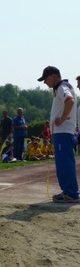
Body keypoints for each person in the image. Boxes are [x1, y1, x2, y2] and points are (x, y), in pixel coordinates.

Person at [38, 65, 79, 203]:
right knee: (64, 163)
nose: (45, 82)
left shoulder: (62, 87)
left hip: (63, 132)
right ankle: (68, 191)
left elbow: (70, 101)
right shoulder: (61, 87)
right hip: (62, 132)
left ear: (54, 76)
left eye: (46, 79)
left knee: (65, 163)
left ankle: (71, 192)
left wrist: (62, 119)